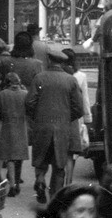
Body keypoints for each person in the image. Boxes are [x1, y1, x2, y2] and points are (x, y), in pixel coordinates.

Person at [26, 46, 83, 204]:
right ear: (62, 62)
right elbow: (79, 108)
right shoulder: (71, 80)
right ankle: (55, 200)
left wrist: (37, 117)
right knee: (59, 166)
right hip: (62, 129)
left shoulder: (39, 78)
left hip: (42, 126)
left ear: (49, 60)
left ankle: (40, 179)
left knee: (41, 158)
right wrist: (65, 118)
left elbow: (29, 102)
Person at [61, 48, 93, 184]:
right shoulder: (81, 76)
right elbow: (84, 100)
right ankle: (68, 181)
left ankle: (59, 178)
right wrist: (88, 119)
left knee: (59, 150)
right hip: (75, 118)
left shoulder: (59, 75)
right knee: (71, 153)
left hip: (59, 116)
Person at [0, 72, 29, 197]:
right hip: (21, 127)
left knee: (10, 158)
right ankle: (17, 183)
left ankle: (12, 185)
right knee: (19, 157)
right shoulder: (25, 94)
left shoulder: (2, 94)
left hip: (8, 128)